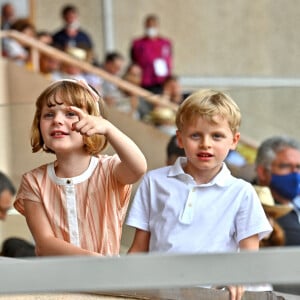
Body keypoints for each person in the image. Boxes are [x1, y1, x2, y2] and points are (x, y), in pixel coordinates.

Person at [126, 89, 272, 300]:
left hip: (212, 296)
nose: (206, 143)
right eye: (196, 135)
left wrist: (237, 278)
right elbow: (139, 249)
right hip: (155, 294)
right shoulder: (154, 182)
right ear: (180, 139)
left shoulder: (242, 192)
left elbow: (249, 257)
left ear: (234, 140)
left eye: (217, 136)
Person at [13, 79, 147, 257]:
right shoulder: (33, 181)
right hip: (57, 284)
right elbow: (44, 244)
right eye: (49, 114)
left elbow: (138, 168)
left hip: (105, 283)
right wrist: (98, 263)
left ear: (94, 121)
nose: (57, 120)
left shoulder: (109, 170)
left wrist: (108, 128)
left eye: (70, 113)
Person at [255, 135, 300, 246]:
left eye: (299, 167)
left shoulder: (293, 202)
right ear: (263, 172)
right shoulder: (253, 208)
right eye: (285, 166)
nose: (295, 174)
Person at [130, 14, 172, 94]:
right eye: (149, 25)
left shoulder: (165, 43)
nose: (151, 28)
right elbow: (133, 61)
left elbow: (169, 60)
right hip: (144, 82)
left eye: (153, 25)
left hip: (162, 82)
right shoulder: (138, 44)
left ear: (157, 26)